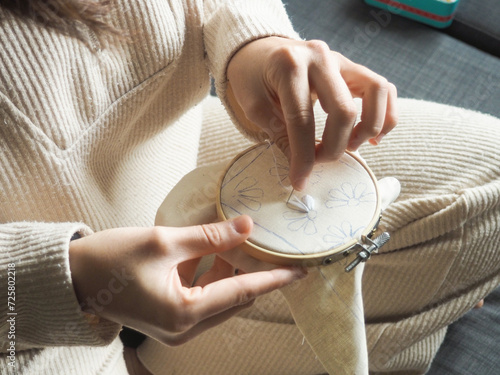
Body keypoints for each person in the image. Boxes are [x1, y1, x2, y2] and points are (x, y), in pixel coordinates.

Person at [0, 0, 398, 374]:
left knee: (462, 200)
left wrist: (253, 43)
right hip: (26, 318)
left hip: (195, 153)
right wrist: (68, 281)